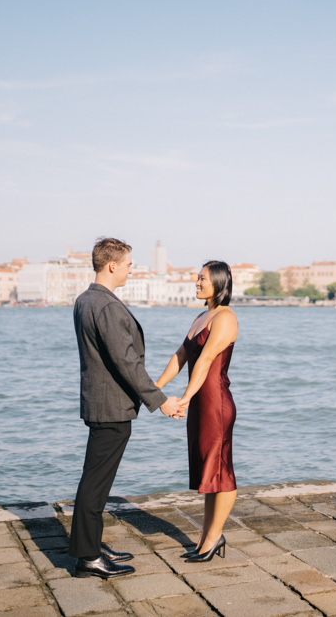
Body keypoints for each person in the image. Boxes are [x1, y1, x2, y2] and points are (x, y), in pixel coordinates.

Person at [69, 237, 183, 579]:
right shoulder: (105, 306)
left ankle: (90, 544)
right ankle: (87, 558)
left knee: (96, 481)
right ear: (112, 265)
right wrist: (160, 401)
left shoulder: (86, 300)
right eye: (130, 264)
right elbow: (126, 362)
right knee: (95, 484)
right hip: (111, 407)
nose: (132, 269)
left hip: (101, 402)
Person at [155, 260, 238, 563]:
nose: (197, 283)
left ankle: (214, 538)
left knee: (222, 471)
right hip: (200, 404)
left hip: (215, 403)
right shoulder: (202, 316)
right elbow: (181, 356)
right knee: (208, 473)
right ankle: (205, 538)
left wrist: (186, 398)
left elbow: (203, 362)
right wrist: (155, 388)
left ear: (218, 282)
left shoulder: (226, 318)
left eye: (202, 279)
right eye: (197, 278)